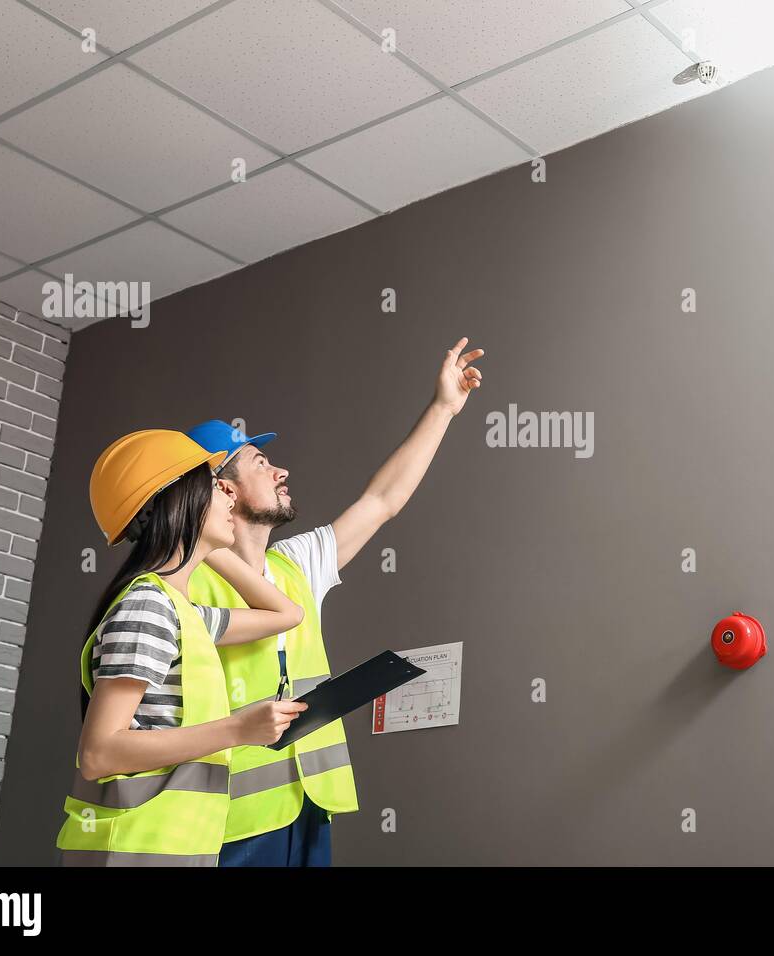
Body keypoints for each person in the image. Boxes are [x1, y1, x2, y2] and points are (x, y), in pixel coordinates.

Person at [187, 337, 485, 867]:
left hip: (309, 805)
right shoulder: (184, 584)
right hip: (231, 821)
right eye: (261, 463)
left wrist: (443, 408)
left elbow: (382, 501)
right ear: (222, 489)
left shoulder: (295, 565)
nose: (280, 472)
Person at [55, 429, 311, 866]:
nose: (229, 491)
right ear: (179, 501)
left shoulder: (182, 613)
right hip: (135, 851)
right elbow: (98, 753)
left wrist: (200, 543)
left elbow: (286, 614)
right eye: (215, 483)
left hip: (177, 849)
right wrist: (238, 729)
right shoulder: (147, 608)